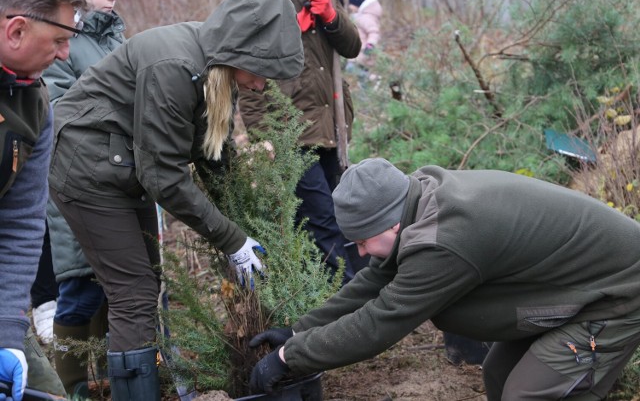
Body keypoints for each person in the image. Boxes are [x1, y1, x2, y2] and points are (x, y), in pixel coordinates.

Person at [48, 0, 303, 400]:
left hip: (125, 166)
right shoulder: (174, 65)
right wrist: (231, 238)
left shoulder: (215, 68)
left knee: (144, 281)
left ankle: (131, 381)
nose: (260, 86)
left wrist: (242, 215)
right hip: (87, 171)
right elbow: (164, 176)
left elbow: (213, 154)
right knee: (134, 293)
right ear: (240, 53)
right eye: (261, 72)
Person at [249, 158, 640, 400]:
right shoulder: (418, 197)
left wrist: (290, 360)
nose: (362, 253)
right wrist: (298, 332)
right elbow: (375, 282)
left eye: (364, 242)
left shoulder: (444, 241)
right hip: (570, 286)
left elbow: (380, 323)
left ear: (393, 223)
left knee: (528, 394)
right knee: (498, 374)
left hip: (618, 293)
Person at [238, 0, 362, 285]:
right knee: (322, 221)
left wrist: (332, 17)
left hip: (331, 124)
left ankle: (347, 292)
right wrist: (292, 28)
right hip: (290, 130)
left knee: (343, 215)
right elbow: (244, 65)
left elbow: (353, 46)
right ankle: (346, 299)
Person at [0, 0, 87, 399]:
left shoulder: (35, 105)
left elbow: (20, 222)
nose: (65, 53)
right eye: (58, 39)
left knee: (46, 393)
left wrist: (7, 332)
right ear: (16, 30)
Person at [42, 0, 125, 397]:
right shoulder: (59, 40)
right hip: (77, 178)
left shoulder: (117, 36)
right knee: (80, 286)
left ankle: (113, 375)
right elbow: (56, 106)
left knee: (119, 287)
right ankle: (71, 385)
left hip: (122, 175)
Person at [346, 0, 382, 80]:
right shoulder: (360, 17)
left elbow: (374, 32)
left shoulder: (365, 18)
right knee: (360, 78)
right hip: (359, 53)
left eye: (352, 7)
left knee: (353, 70)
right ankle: (368, 83)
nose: (351, 9)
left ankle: (373, 78)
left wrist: (370, 45)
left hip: (364, 53)